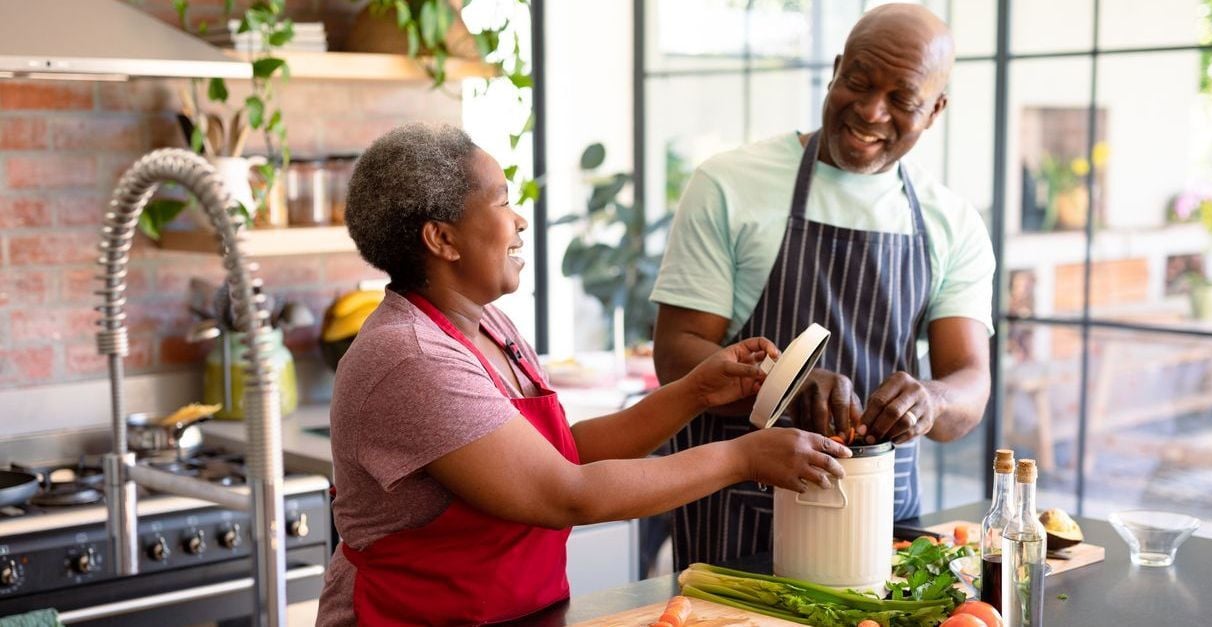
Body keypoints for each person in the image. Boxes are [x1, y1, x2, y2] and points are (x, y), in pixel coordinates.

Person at [314, 123, 851, 626]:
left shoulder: (488, 325)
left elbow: (562, 452)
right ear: (443, 239)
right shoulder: (414, 357)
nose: (519, 220)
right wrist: (742, 456)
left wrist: (696, 392)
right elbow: (564, 493)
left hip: (518, 609)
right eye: (502, 201)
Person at [651, 3, 995, 570]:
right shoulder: (729, 184)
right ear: (836, 69)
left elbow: (970, 388)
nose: (870, 111)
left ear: (935, 110)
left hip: (882, 518)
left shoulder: (950, 221)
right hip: (738, 515)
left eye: (902, 101)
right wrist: (783, 382)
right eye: (857, 82)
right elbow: (676, 353)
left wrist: (930, 400)